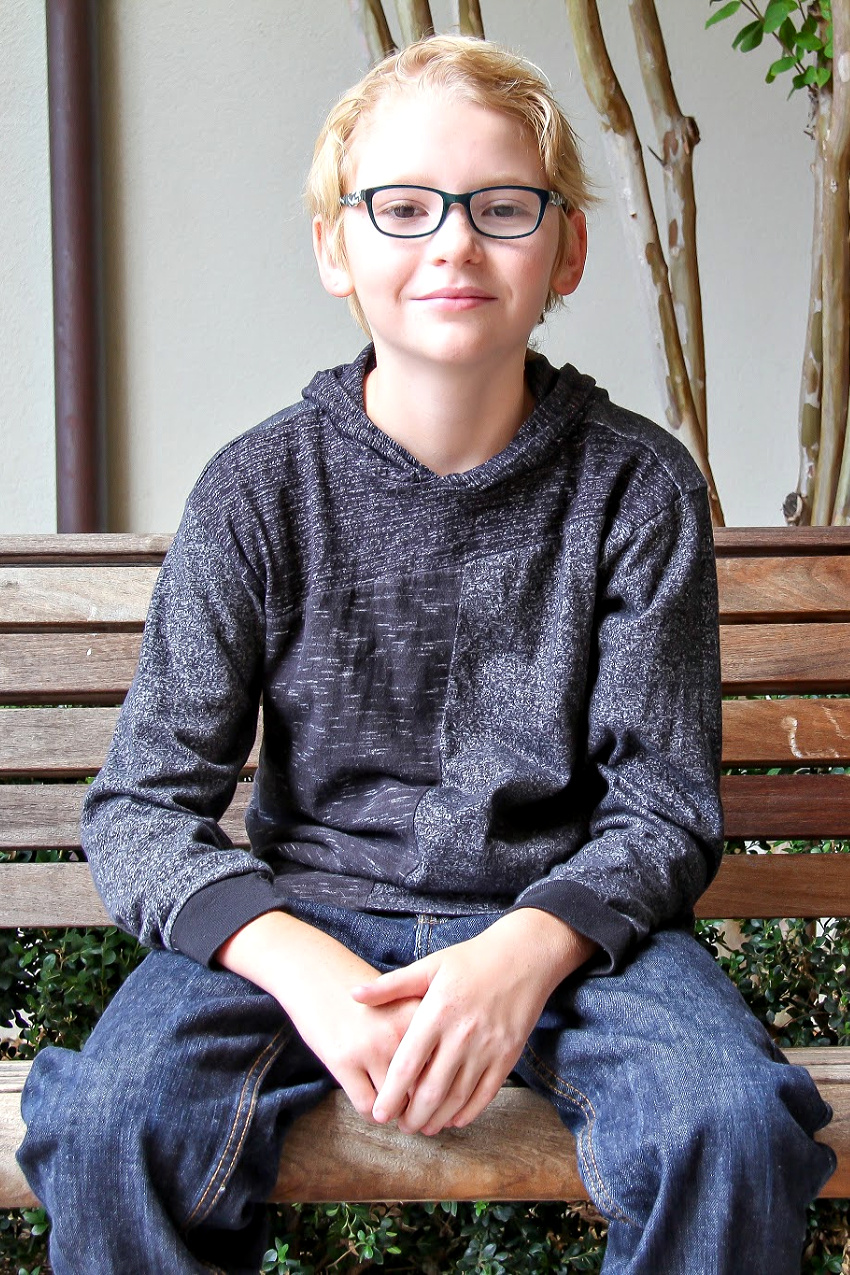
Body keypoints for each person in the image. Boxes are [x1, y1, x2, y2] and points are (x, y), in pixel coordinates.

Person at [17, 34, 835, 1275]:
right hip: (308, 917)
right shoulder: (257, 492)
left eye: (502, 207)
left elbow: (661, 809)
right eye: (402, 208)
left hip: (564, 934)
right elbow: (141, 808)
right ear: (333, 246)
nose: (452, 242)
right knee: (108, 1123)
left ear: (562, 252)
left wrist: (523, 952)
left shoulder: (635, 489)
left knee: (726, 1124)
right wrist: (301, 968)